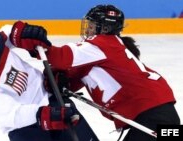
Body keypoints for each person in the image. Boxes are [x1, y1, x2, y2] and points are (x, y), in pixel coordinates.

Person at [18, 4, 181, 141]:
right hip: (160, 115)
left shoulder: (101, 44)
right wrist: (61, 80)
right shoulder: (100, 54)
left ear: (105, 28)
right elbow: (74, 78)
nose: (87, 30)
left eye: (91, 26)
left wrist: (33, 42)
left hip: (151, 116)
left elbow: (60, 57)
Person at [0, 18, 100, 141]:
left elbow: (7, 33)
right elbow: (14, 115)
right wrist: (44, 115)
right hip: (26, 130)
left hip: (50, 97)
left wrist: (22, 34)